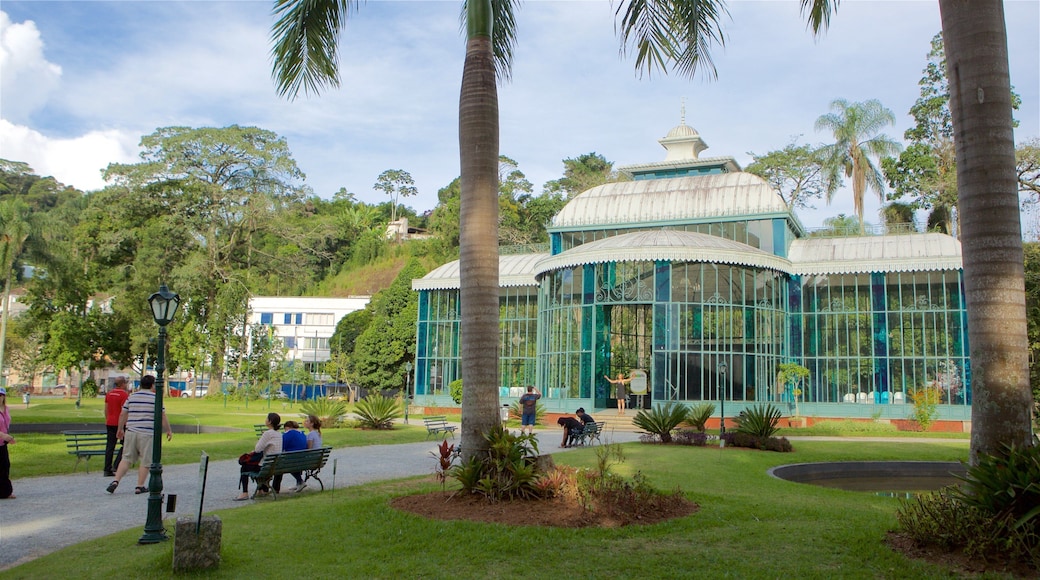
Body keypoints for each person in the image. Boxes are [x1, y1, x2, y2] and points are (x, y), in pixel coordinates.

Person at [106, 375, 172, 495]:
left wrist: (120, 429)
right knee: (146, 460)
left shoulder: (132, 396)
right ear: (152, 385)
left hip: (131, 431)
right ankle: (139, 486)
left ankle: (116, 481)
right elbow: (162, 415)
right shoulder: (155, 398)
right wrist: (168, 430)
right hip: (147, 432)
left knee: (126, 458)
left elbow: (123, 413)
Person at [235, 412, 282, 500]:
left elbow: (257, 449)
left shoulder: (268, 434)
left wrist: (262, 438)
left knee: (244, 467)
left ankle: (245, 493)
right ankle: (261, 490)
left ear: (270, 421)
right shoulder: (279, 434)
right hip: (274, 465)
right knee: (254, 464)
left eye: (267, 418)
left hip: (265, 466)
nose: (265, 420)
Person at [103, 376, 130, 477]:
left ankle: (107, 468)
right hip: (120, 423)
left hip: (110, 422)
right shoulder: (124, 395)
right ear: (123, 384)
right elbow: (125, 411)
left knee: (110, 446)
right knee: (126, 445)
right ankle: (116, 465)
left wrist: (107, 419)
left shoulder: (109, 394)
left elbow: (106, 409)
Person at [273, 420, 307, 493]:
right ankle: (299, 482)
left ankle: (300, 481)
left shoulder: (288, 434)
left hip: (292, 460)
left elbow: (281, 447)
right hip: (303, 460)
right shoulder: (302, 433)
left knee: (279, 464)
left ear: (287, 427)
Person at [295, 415, 323, 492]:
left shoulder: (311, 434)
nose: (305, 422)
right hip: (317, 460)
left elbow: (309, 449)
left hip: (311, 461)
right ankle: (298, 482)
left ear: (312, 423)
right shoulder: (318, 433)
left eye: (307, 421)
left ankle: (299, 482)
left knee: (294, 461)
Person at [0, 387, 15, 499]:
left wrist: (8, 437)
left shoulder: (6, 409)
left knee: (5, 466)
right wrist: (3, 435)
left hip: (2, 443)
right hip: (2, 438)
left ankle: (5, 492)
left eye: (0, 395)